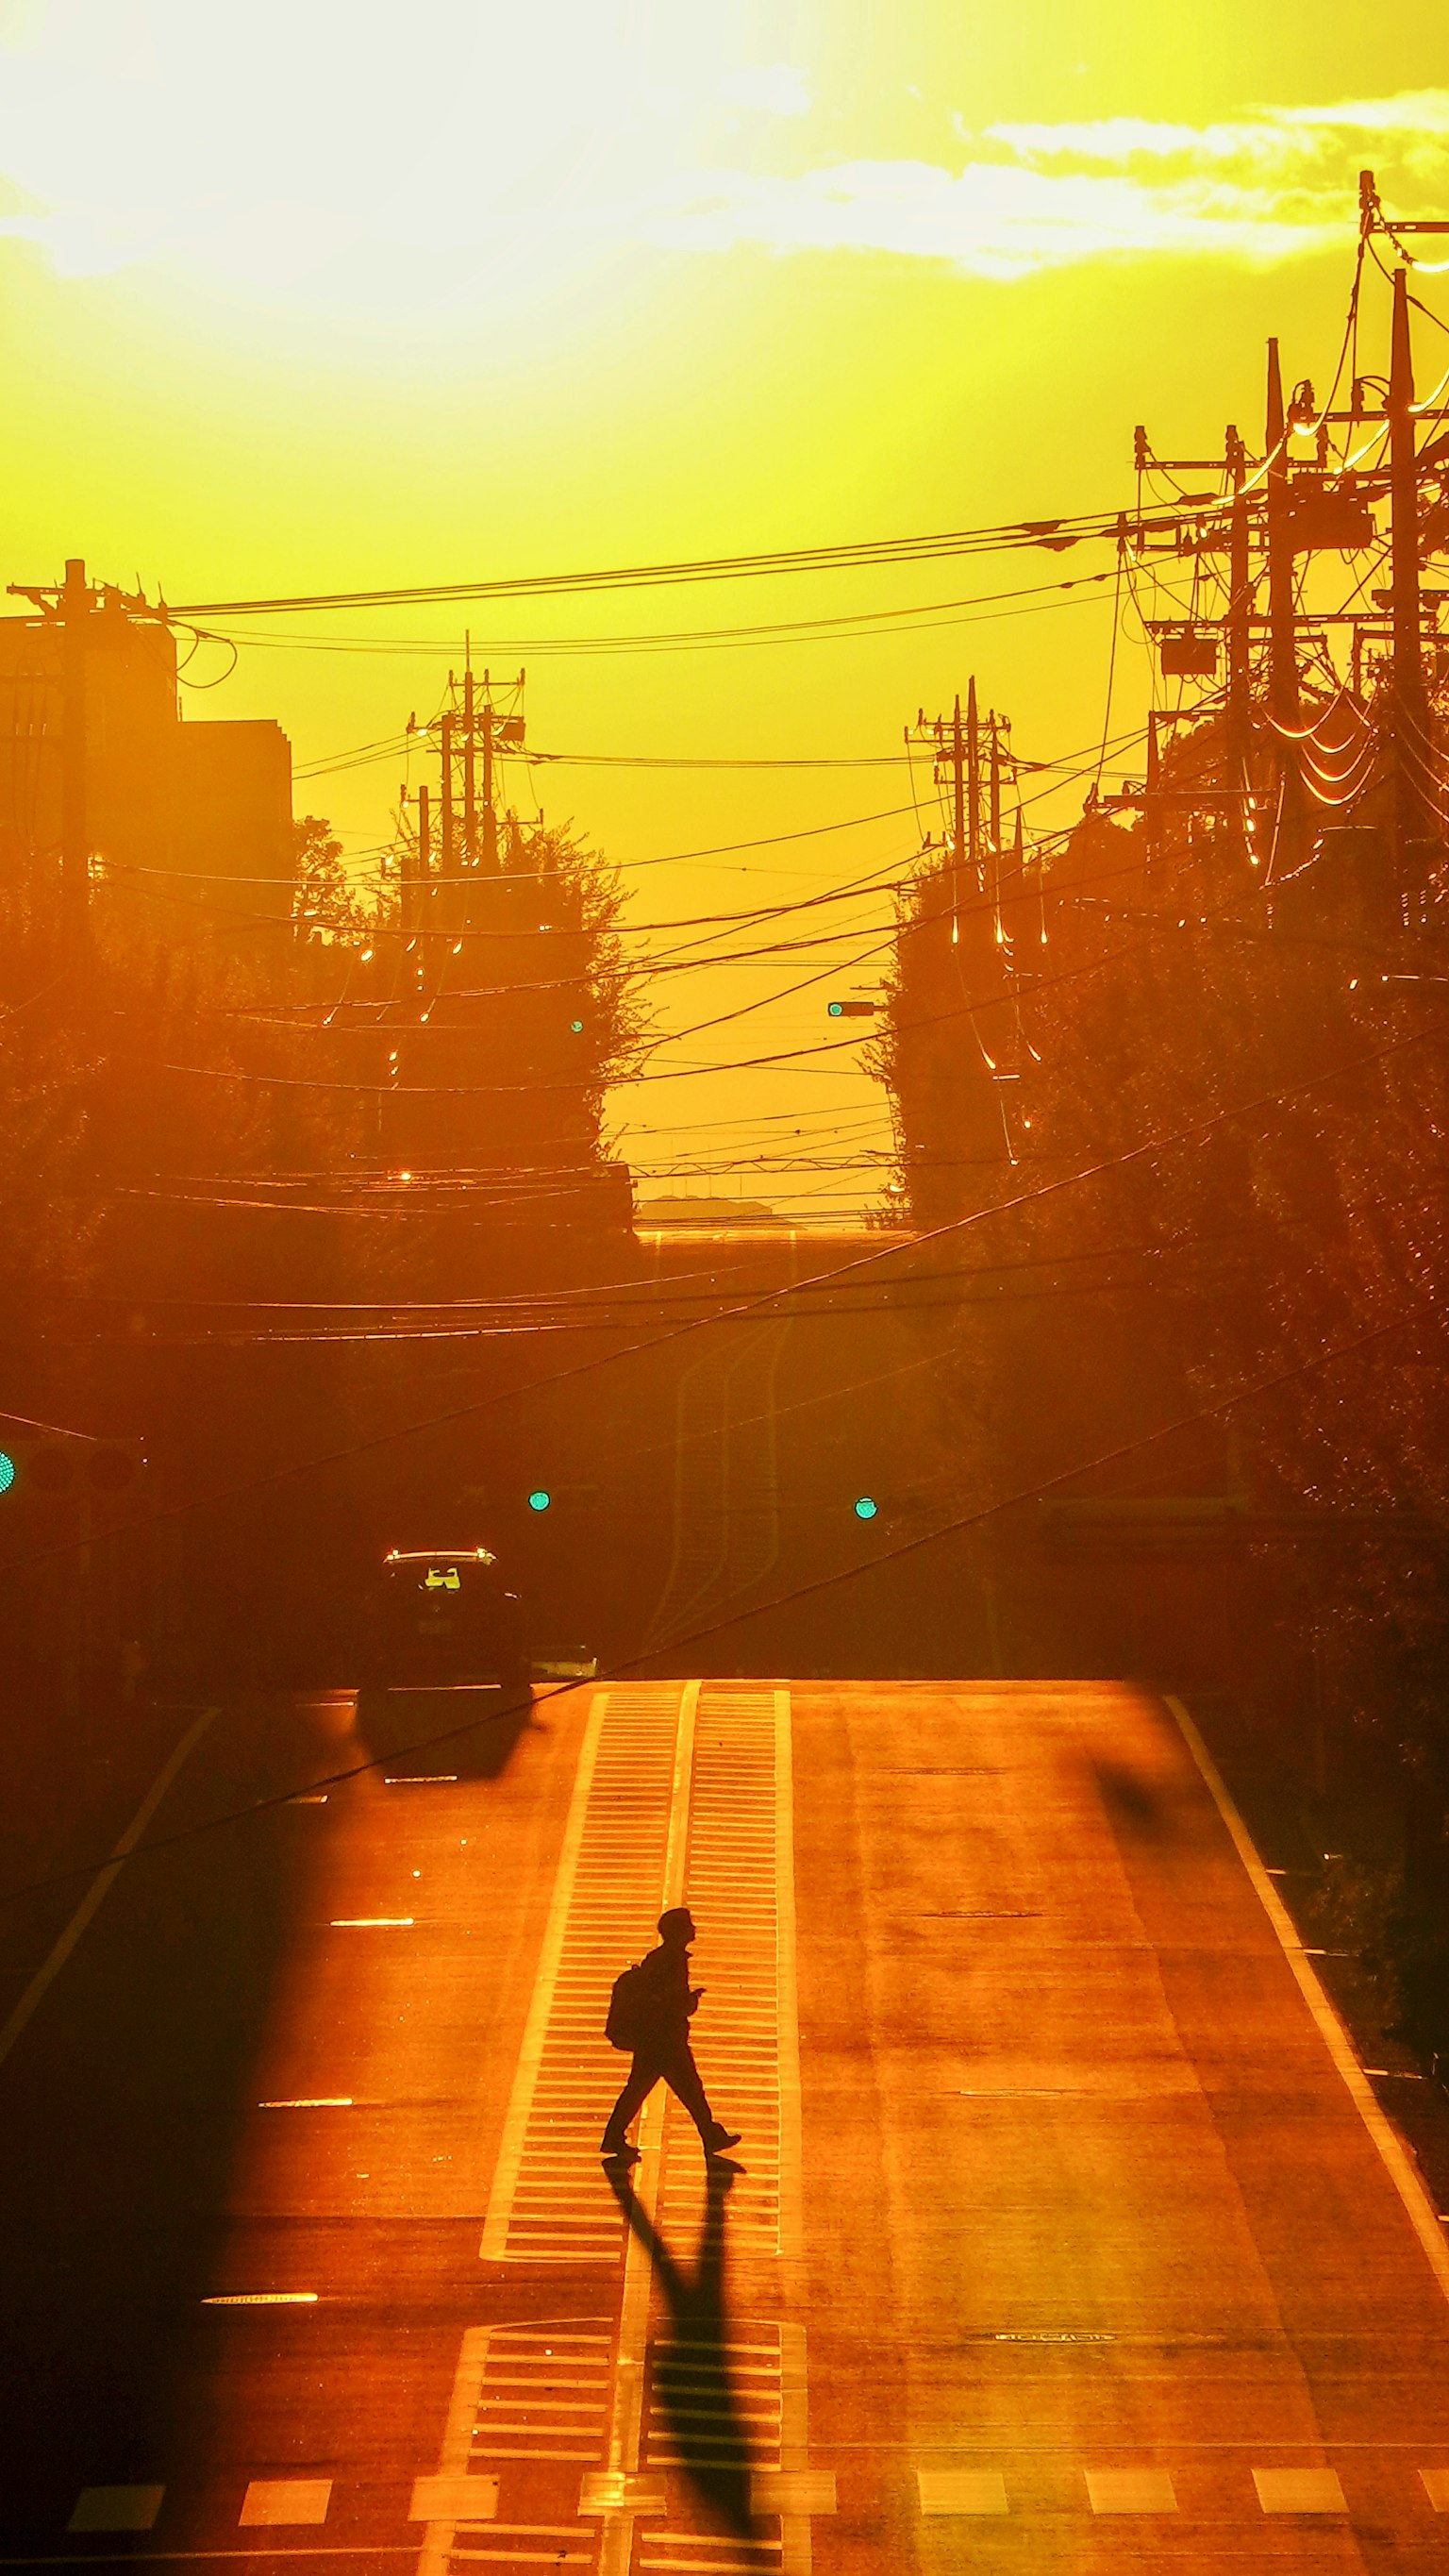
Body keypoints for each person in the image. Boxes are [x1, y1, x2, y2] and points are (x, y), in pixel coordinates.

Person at [601, 1907, 741, 2166]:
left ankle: (709, 2133)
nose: (694, 1928)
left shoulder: (661, 1958)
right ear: (678, 1932)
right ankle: (710, 2134)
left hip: (655, 2039)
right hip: (665, 2040)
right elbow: (672, 2003)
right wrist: (691, 2002)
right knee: (688, 2089)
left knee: (644, 2089)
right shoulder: (672, 1961)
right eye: (689, 1925)